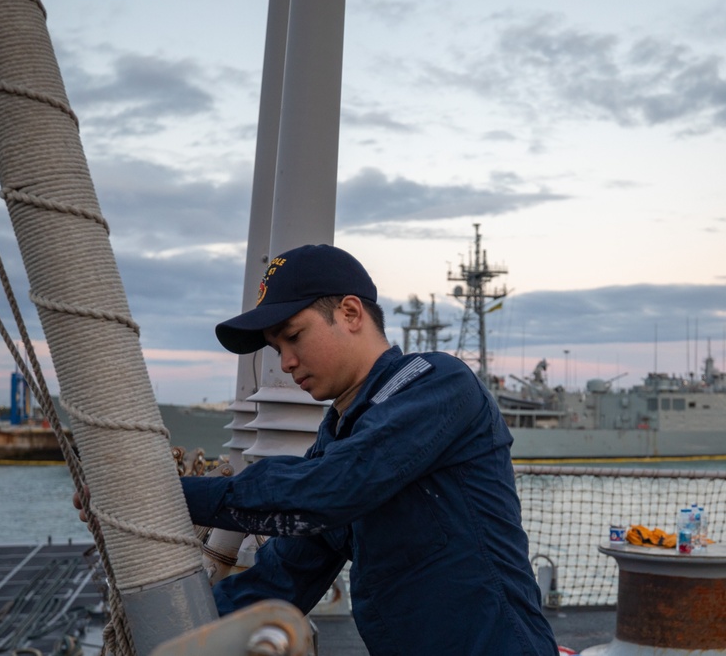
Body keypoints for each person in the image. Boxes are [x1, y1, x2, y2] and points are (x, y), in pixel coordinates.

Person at [178, 243, 559, 655]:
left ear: (350, 313)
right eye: (276, 348)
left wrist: (164, 495)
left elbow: (331, 489)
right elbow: (284, 576)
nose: (286, 362)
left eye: (293, 337)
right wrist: (181, 635)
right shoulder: (341, 436)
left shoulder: (437, 383)